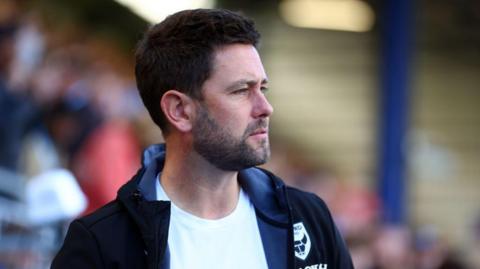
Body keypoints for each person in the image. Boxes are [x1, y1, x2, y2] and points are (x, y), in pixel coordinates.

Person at [51, 8, 353, 269]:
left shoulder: (307, 217)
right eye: (240, 91)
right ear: (180, 110)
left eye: (263, 88)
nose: (265, 108)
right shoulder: (102, 244)